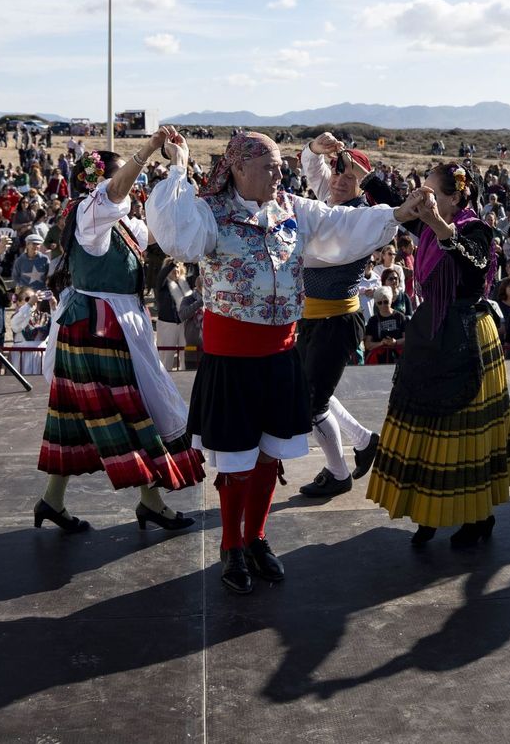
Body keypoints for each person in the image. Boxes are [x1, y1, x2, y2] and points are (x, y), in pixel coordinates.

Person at [148, 129, 425, 595]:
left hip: (280, 354)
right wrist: (178, 167)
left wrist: (395, 214)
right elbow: (177, 238)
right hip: (232, 359)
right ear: (238, 168)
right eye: (270, 165)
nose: (280, 172)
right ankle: (231, 546)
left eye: (280, 164)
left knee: (269, 456)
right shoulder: (209, 212)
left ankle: (256, 537)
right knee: (235, 462)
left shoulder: (294, 209)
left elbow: (339, 225)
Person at [34, 134, 205, 535]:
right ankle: (151, 502)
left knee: (79, 417)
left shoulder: (128, 226)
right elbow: (113, 191)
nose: (134, 183)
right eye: (126, 176)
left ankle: (52, 500)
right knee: (126, 413)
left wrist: (181, 168)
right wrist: (144, 152)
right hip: (98, 326)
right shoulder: (89, 216)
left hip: (111, 324)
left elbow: (170, 231)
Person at [366, 163, 510, 547]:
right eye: (421, 194)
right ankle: (428, 511)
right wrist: (366, 177)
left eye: (430, 195)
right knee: (426, 427)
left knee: (464, 433)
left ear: (453, 198)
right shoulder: (429, 224)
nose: (422, 201)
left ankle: (477, 516)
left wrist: (439, 225)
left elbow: (476, 262)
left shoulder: (476, 230)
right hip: (431, 335)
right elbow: (394, 202)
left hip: (466, 335)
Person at [295, 136, 400, 499]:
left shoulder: (365, 218)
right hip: (310, 317)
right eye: (336, 174)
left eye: (349, 178)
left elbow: (394, 218)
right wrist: (315, 148)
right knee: (309, 391)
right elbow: (312, 167)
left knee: (312, 403)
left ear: (362, 184)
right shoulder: (328, 200)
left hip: (337, 321)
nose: (338, 181)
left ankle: (338, 473)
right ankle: (364, 439)